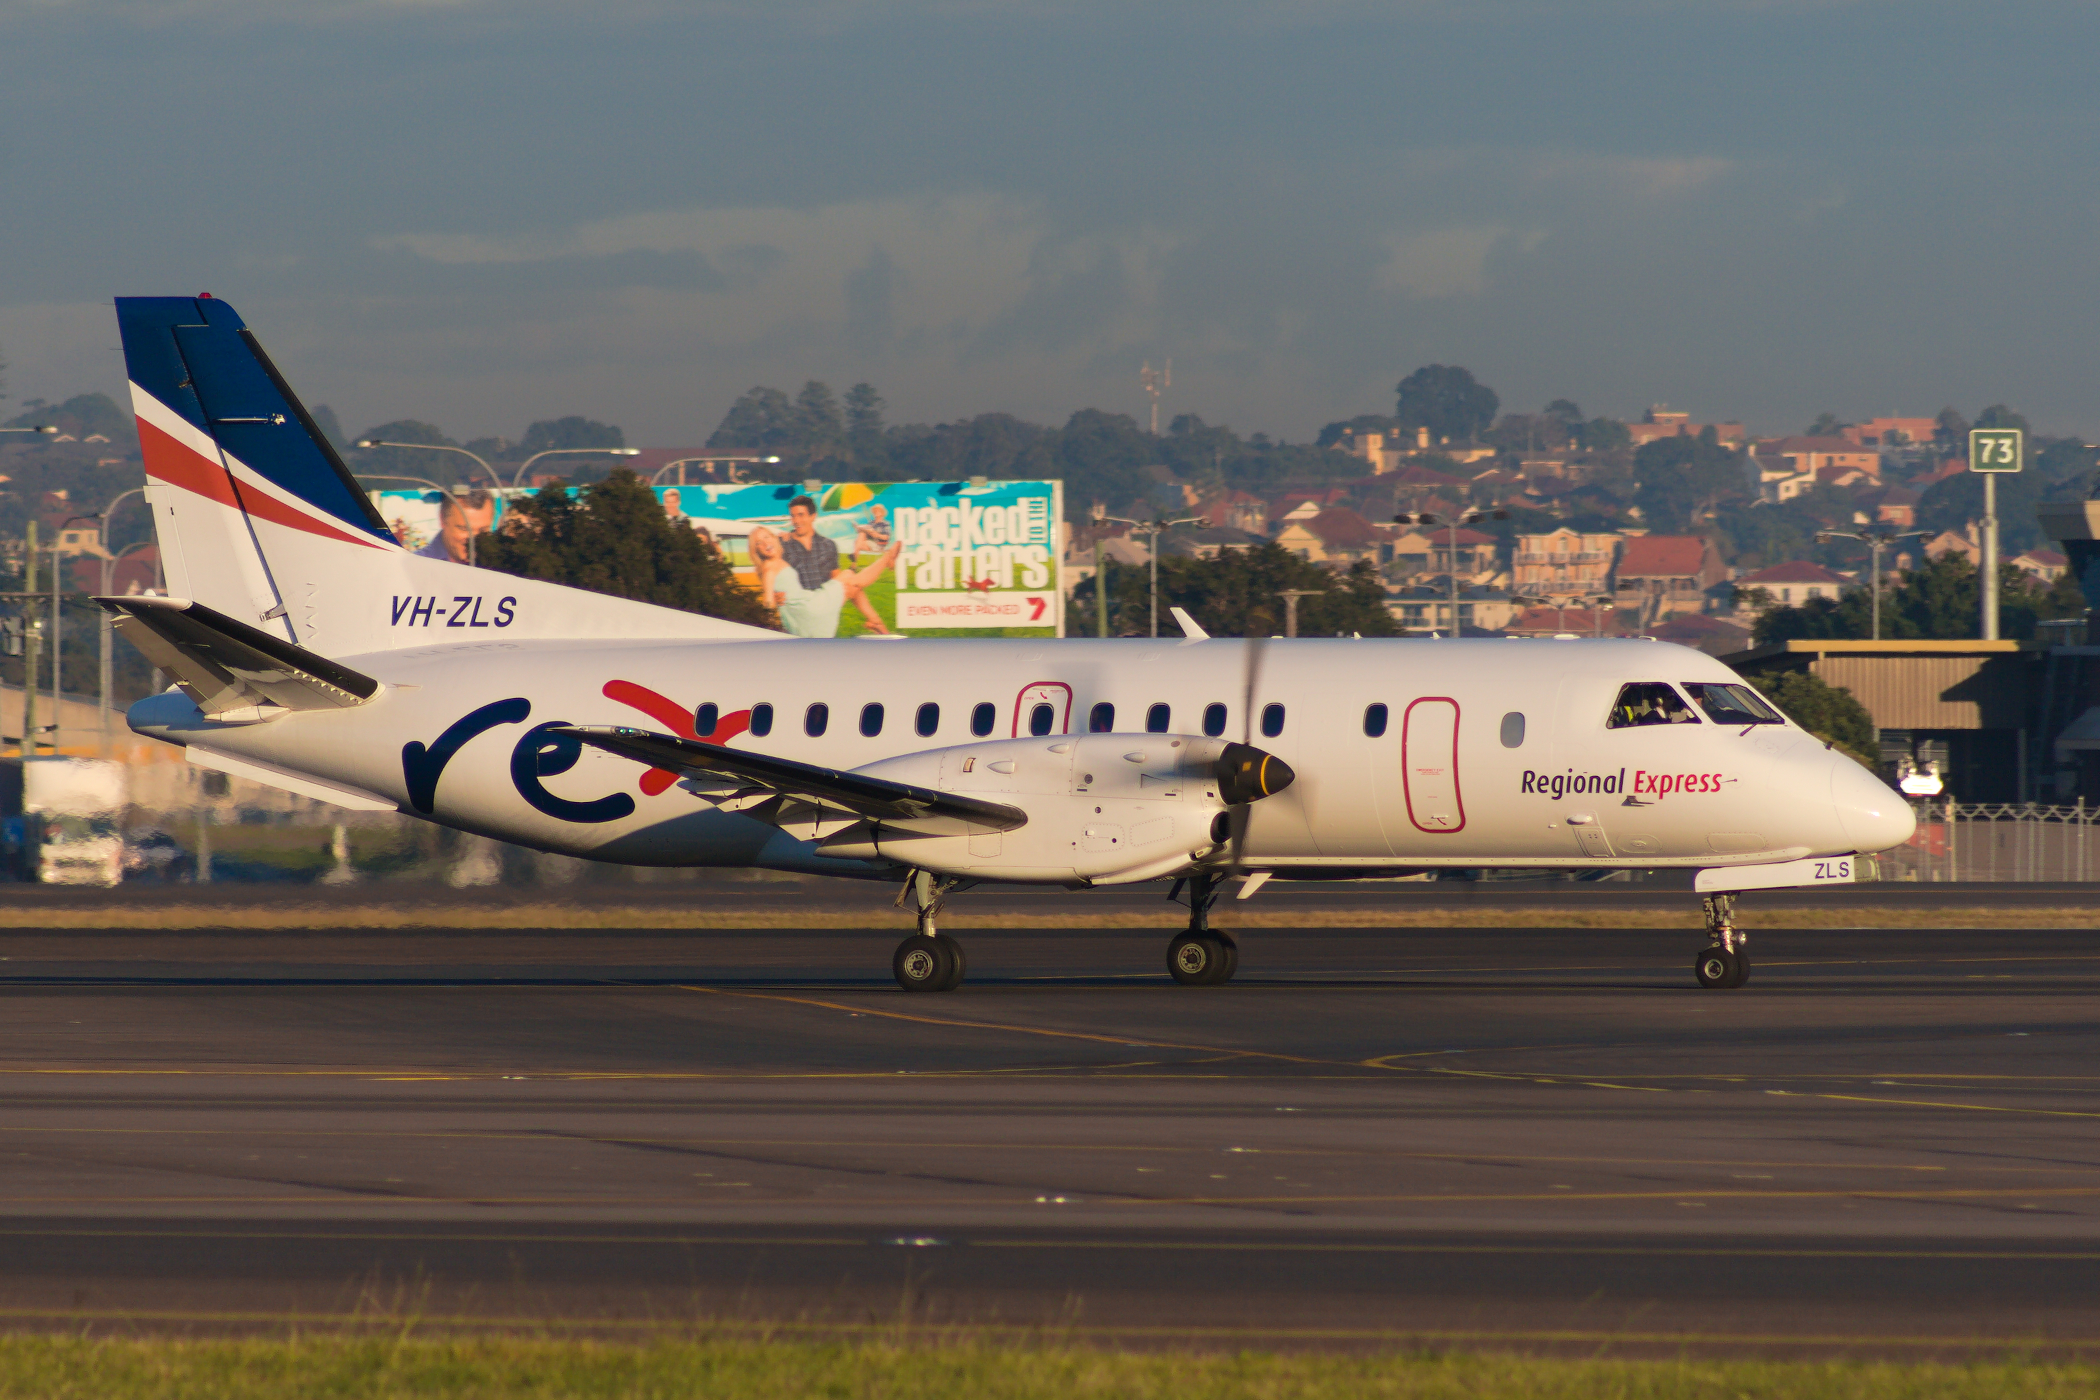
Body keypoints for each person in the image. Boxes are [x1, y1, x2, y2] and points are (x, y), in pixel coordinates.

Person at [749, 523, 901, 637]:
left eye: (766, 537)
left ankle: (877, 624)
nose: (764, 543)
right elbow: (767, 604)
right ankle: (887, 557)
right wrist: (774, 602)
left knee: (851, 588)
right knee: (848, 576)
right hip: (808, 611)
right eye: (758, 543)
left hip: (800, 617)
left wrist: (784, 535)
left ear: (773, 538)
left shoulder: (775, 559)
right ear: (756, 550)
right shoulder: (769, 567)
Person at [415, 490, 495, 565]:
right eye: (464, 529)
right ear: (442, 520)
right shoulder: (416, 567)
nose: (474, 539)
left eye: (483, 530)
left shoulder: (499, 566)